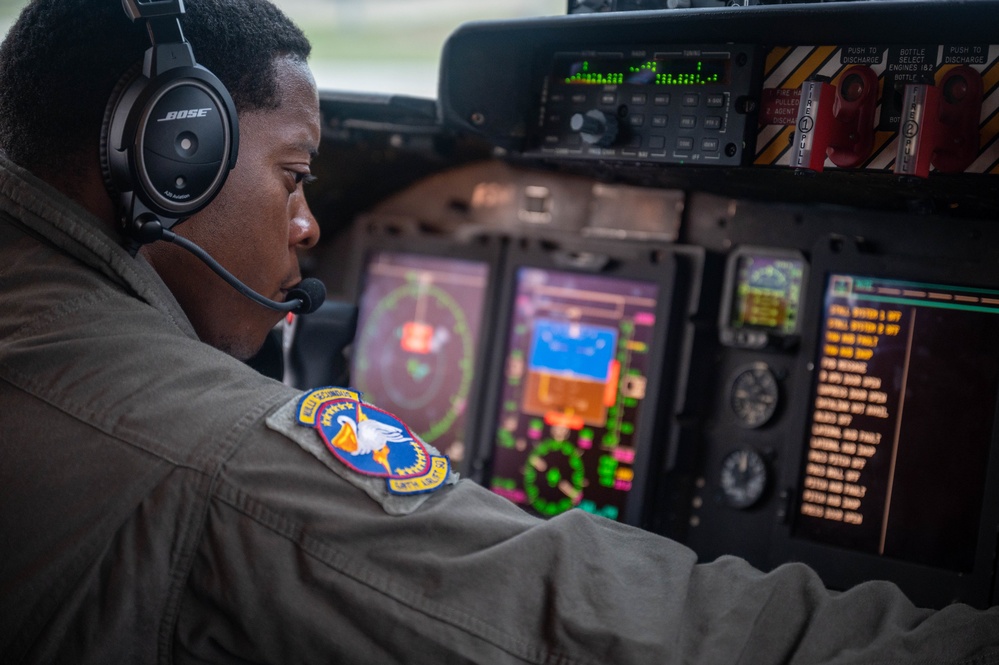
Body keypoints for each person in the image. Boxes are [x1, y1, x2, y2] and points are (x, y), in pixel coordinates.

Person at [0, 1, 996, 662]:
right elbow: (593, 624)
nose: (308, 227)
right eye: (296, 178)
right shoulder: (214, 458)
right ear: (175, 155)